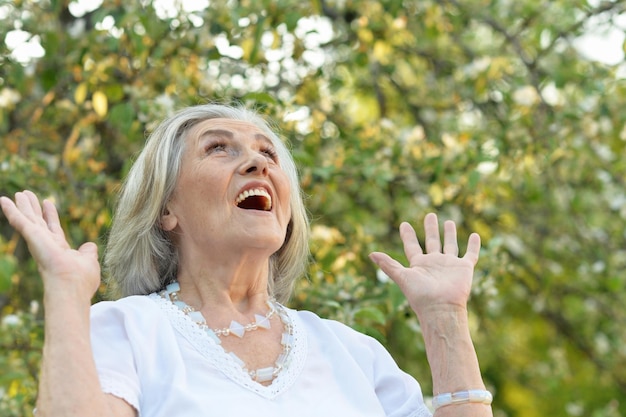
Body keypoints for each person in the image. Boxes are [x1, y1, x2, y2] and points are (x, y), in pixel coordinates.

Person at [0, 104, 493, 417]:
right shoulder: (126, 330)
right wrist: (65, 293)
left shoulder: (352, 353)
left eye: (268, 154)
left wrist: (444, 319)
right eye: (219, 148)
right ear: (166, 209)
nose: (258, 163)